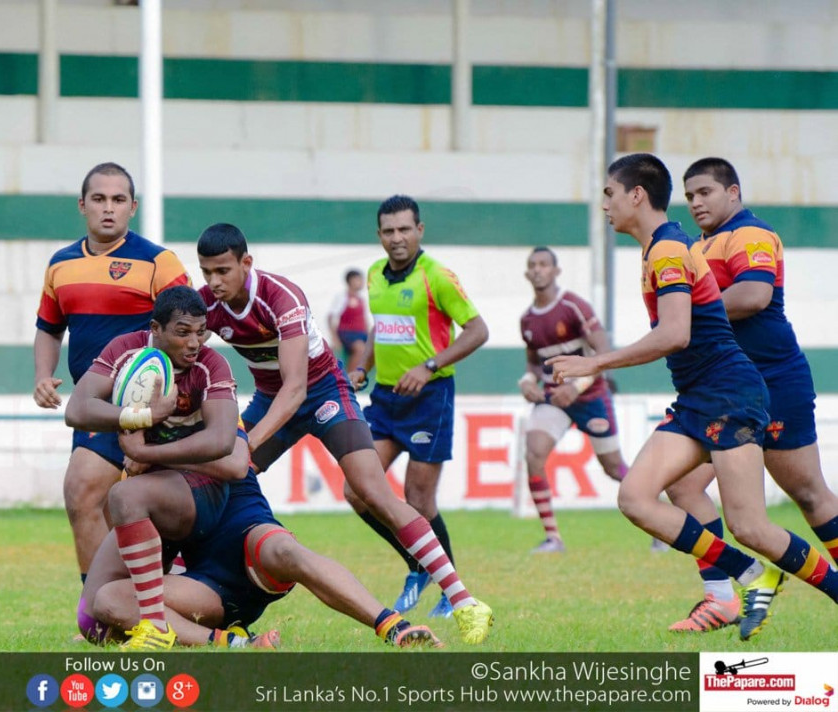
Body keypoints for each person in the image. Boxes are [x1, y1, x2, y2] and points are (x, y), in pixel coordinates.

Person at [547, 153, 838, 641]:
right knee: (636, 498)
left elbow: (676, 334)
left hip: (730, 393)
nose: (604, 206)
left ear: (636, 195)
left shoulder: (669, 250)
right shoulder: (664, 248)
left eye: (609, 195)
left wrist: (595, 362)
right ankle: (748, 577)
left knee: (752, 524)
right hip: (699, 397)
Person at [67, 286, 441, 650]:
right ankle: (230, 642)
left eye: (201, 332)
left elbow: (232, 461)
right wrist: (142, 415)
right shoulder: (129, 354)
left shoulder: (212, 368)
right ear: (155, 329)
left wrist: (150, 452)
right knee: (98, 617)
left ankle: (394, 626)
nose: (195, 343)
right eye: (183, 333)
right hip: (195, 564)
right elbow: (77, 410)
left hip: (230, 511)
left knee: (284, 552)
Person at [196, 223, 493, 644]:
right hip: (270, 397)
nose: (214, 282)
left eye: (222, 271)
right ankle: (180, 595)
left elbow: (296, 386)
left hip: (321, 394)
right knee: (211, 482)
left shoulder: (282, 297)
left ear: (246, 263)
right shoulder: (208, 304)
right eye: (206, 272)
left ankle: (464, 602)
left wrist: (247, 441)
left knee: (373, 491)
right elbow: (180, 346)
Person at [662, 157, 838, 633]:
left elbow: (755, 296)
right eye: (690, 194)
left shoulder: (750, 235)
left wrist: (687, 316)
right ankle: (720, 598)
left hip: (773, 382)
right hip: (727, 390)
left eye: (706, 192)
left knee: (807, 493)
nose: (696, 202)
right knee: (681, 486)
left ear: (733, 193)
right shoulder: (699, 245)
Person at [33, 162, 190, 585]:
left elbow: (191, 329)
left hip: (147, 411)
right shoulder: (60, 264)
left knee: (84, 492)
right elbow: (49, 328)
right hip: (92, 409)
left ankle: (100, 614)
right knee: (101, 506)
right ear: (82, 205)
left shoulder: (159, 261)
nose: (108, 208)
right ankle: (121, 608)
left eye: (118, 200)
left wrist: (168, 397)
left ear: (133, 207)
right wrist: (43, 375)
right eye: (99, 199)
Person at [341, 196, 488, 618]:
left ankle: (450, 588)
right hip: (385, 400)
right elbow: (380, 329)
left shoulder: (437, 277)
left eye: (405, 229)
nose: (397, 238)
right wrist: (361, 367)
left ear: (420, 230)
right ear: (379, 235)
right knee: (357, 489)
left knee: (418, 500)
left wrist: (430, 366)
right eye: (388, 231)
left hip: (429, 398)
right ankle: (417, 565)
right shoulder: (373, 275)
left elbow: (478, 330)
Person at [517, 246, 631, 554]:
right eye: (533, 265)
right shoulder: (527, 320)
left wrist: (578, 386)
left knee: (612, 467)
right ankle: (553, 537)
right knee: (534, 452)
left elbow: (604, 350)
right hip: (554, 398)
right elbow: (533, 364)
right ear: (528, 273)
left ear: (556, 271)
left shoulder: (573, 306)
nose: (538, 270)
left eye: (544, 264)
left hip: (591, 395)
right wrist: (528, 382)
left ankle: (658, 516)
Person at [327, 268, 370, 373]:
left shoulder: (361, 298)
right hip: (347, 333)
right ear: (350, 281)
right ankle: (349, 379)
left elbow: (365, 319)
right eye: (358, 280)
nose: (361, 283)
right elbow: (331, 316)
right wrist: (334, 338)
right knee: (360, 349)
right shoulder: (342, 297)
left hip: (362, 333)